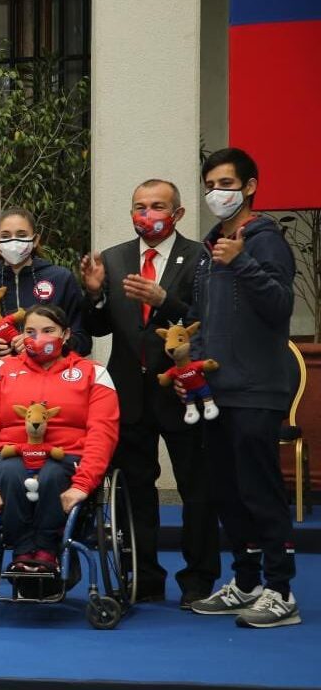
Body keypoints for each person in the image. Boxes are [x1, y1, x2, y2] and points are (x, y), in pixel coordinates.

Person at [81, 178, 220, 608]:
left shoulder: (199, 257)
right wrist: (93, 294)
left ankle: (198, 579)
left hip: (182, 392)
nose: (147, 214)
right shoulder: (116, 257)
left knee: (196, 489)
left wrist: (165, 301)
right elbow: (97, 328)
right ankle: (144, 575)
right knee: (135, 490)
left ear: (177, 213)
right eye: (139, 206)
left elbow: (208, 319)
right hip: (128, 394)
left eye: (157, 206)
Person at [185, 148, 300, 628]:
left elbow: (279, 307)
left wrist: (243, 263)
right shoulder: (211, 246)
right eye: (211, 183)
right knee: (226, 494)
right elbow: (201, 320)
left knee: (260, 491)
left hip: (258, 389)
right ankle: (247, 582)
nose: (218, 192)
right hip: (216, 392)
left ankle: (280, 590)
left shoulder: (264, 240)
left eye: (228, 183)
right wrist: (190, 372)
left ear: (250, 186)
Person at [0, 304, 119, 579]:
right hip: (13, 455)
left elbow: (103, 431)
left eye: (48, 331)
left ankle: (49, 551)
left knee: (51, 474)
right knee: (11, 471)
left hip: (68, 458)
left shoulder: (92, 373)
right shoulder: (0, 370)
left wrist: (84, 484)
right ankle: (24, 553)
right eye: (31, 332)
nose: (39, 338)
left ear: (66, 334)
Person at [0, 207, 90, 374]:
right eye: (5, 236)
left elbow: (83, 340)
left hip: (54, 379)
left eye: (21, 235)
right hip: (1, 382)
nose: (13, 242)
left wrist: (46, 344)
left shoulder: (61, 279)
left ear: (35, 240)